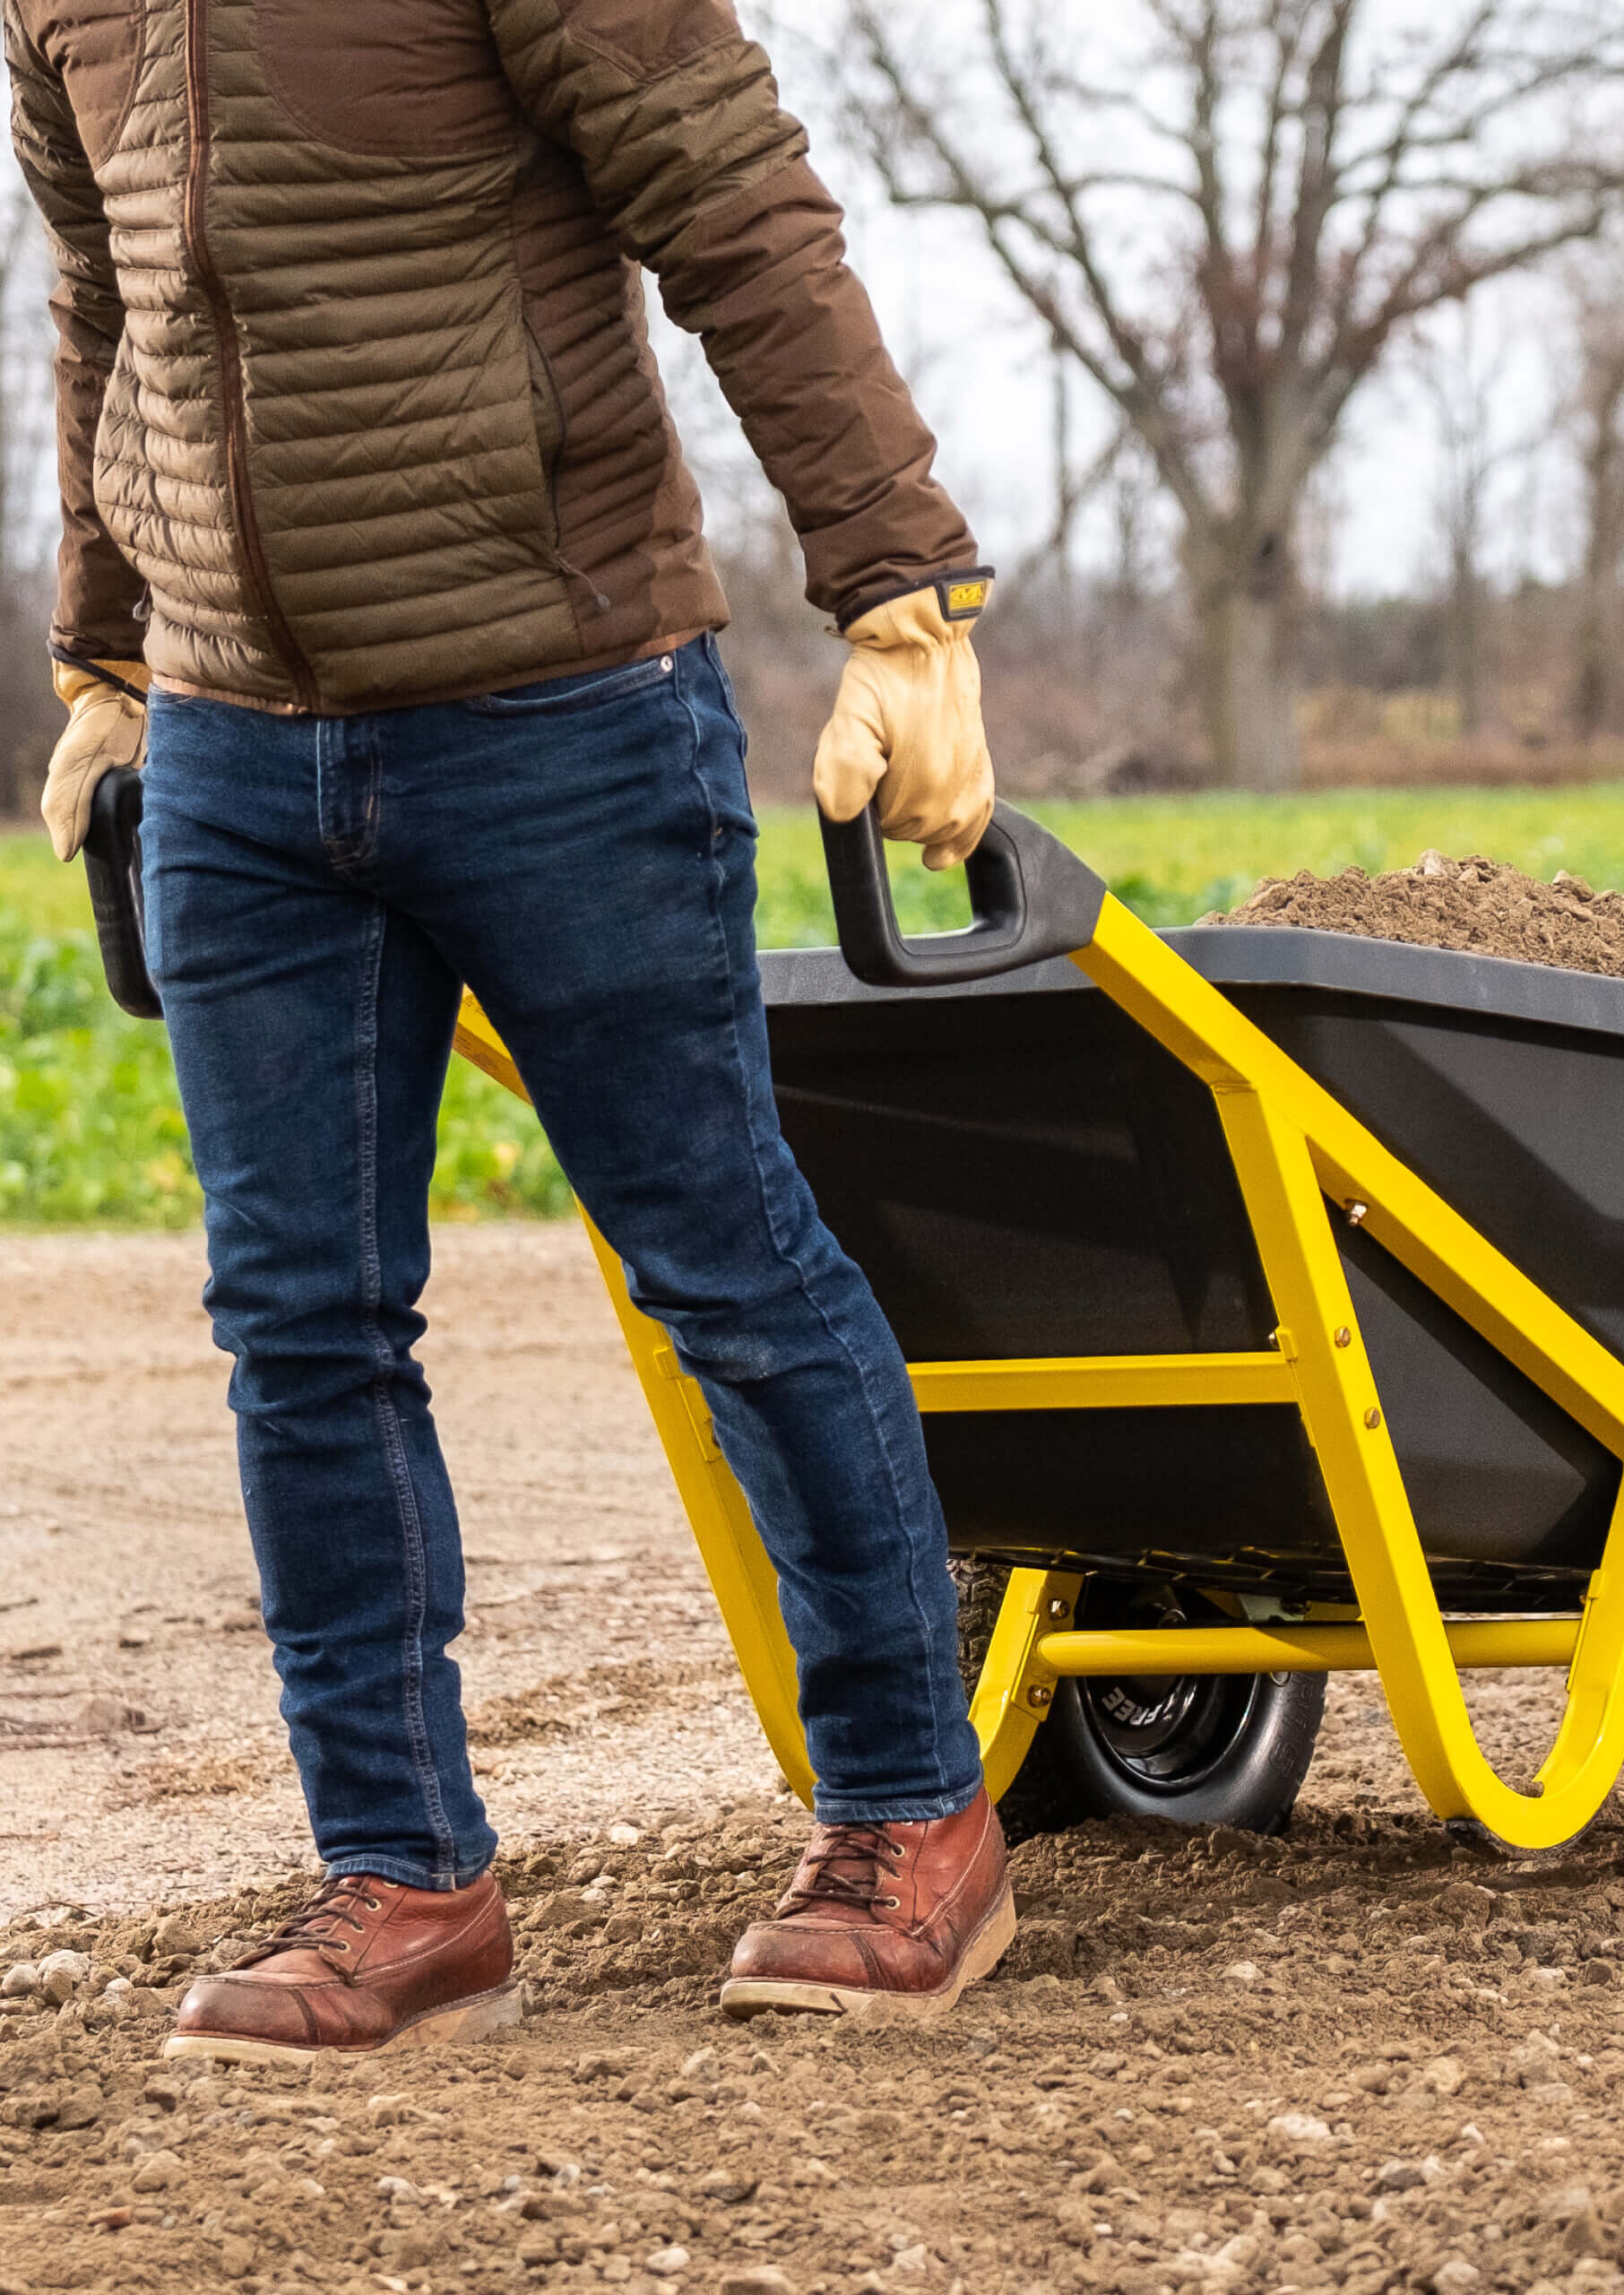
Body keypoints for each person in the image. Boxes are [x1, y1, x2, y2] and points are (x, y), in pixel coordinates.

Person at [6, 0, 1012, 2061]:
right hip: (231, 753)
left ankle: (913, 1813)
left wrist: (901, 595)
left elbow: (741, 217)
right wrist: (105, 644)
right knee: (300, 1320)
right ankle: (404, 1881)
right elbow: (104, 301)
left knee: (723, 1260)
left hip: (556, 706)